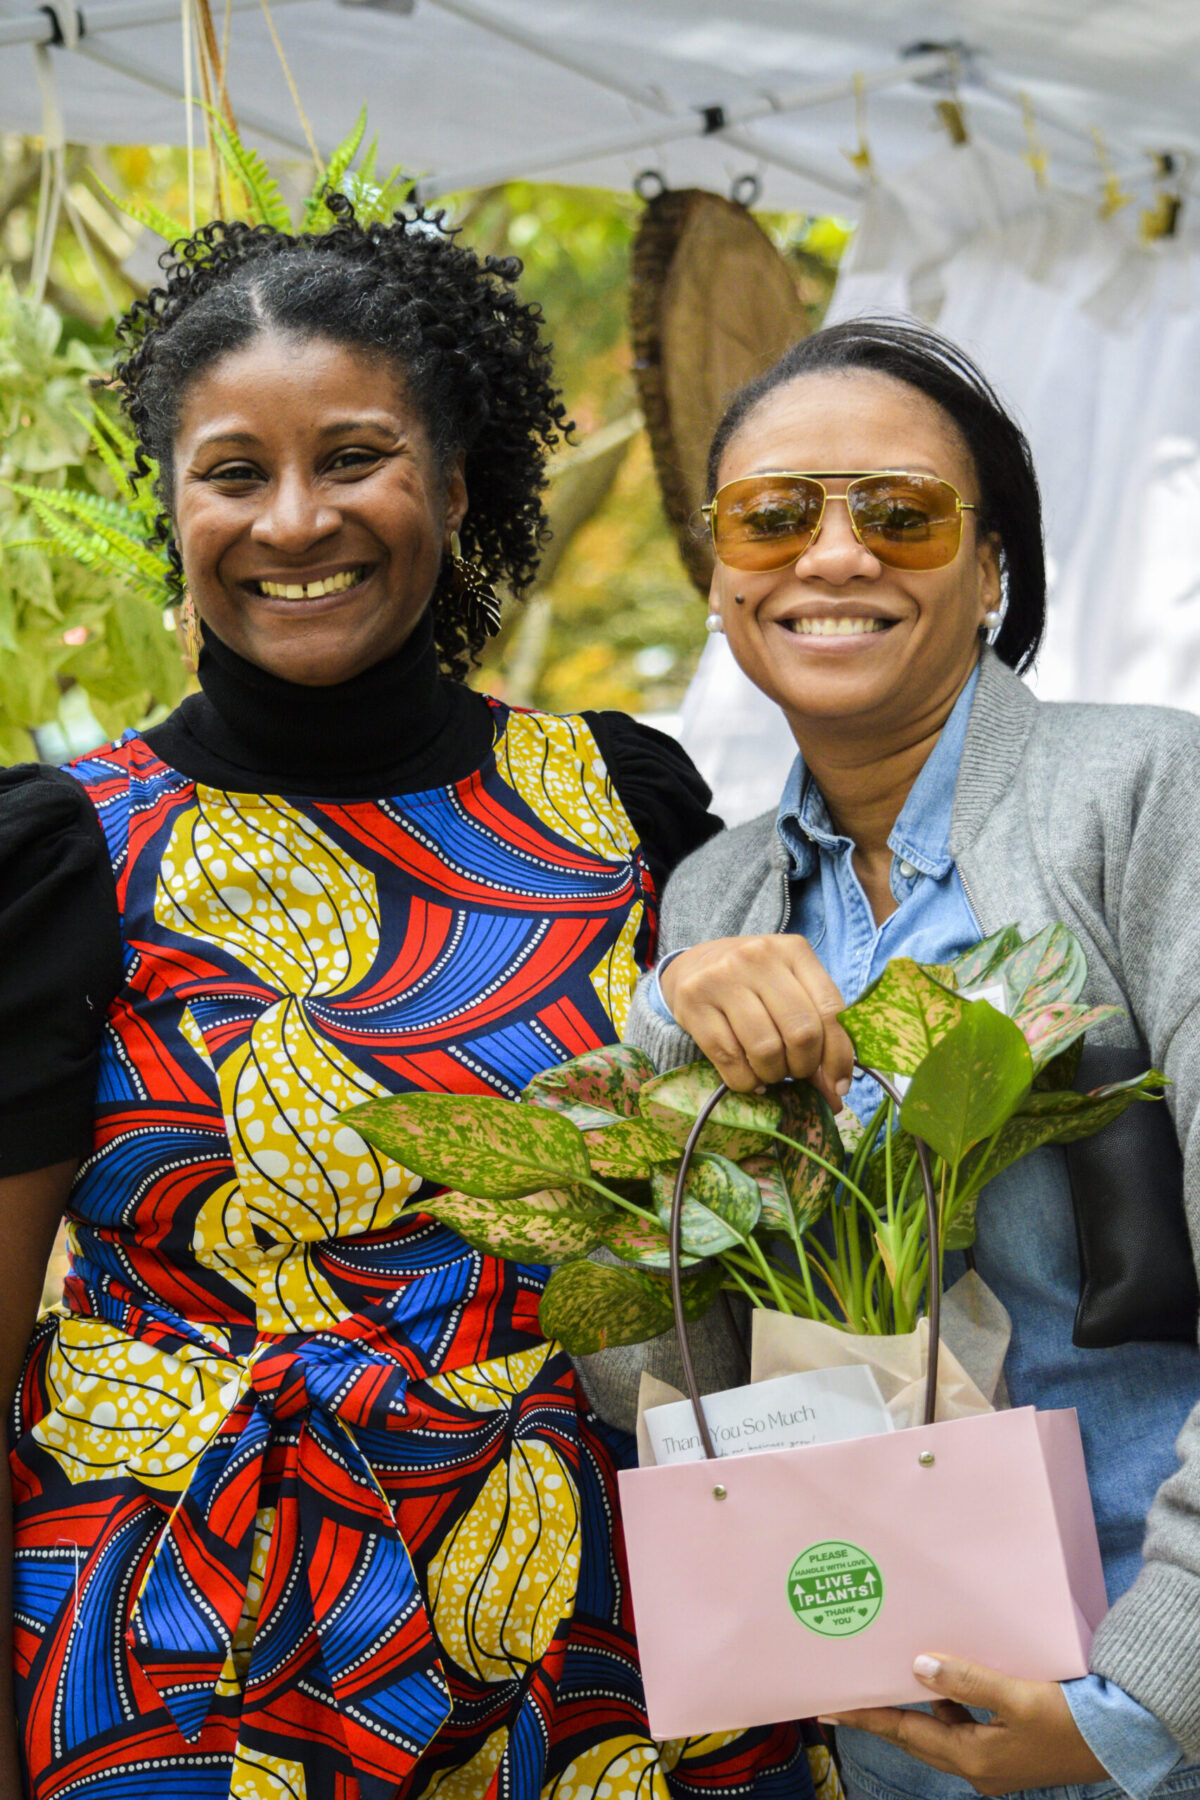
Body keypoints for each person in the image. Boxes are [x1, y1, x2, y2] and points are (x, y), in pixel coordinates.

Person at [0, 200, 829, 1800]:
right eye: (233, 471)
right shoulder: (68, 855)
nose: (293, 519)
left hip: (598, 1620)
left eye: (355, 458)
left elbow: (759, 1218)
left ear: (452, 486)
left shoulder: (622, 803)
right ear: (173, 507)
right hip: (184, 1632)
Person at [610, 318, 1200, 1800]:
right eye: (772, 515)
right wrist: (667, 1038)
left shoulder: (1146, 797)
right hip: (881, 1720)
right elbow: (664, 1376)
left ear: (990, 568)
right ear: (722, 575)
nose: (833, 554)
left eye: (901, 512)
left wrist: (1143, 1700)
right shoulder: (716, 898)